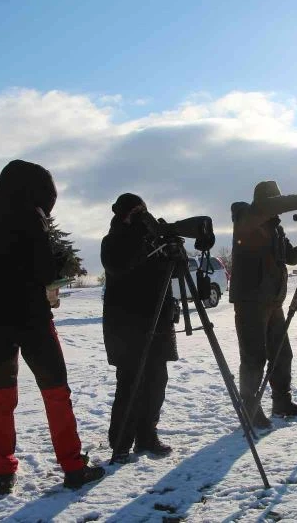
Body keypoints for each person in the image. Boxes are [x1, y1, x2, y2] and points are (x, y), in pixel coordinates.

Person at [0, 159, 105, 495]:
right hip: (31, 317)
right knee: (56, 392)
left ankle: (3, 471)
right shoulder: (31, 215)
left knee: (2, 396)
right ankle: (73, 466)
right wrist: (58, 262)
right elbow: (45, 271)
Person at [229, 180, 297, 429]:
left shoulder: (275, 228)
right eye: (275, 201)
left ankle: (282, 402)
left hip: (273, 300)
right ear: (265, 202)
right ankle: (250, 409)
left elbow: (290, 258)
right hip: (251, 301)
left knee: (282, 354)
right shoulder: (245, 218)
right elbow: (265, 208)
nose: (279, 207)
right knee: (253, 357)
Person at [101, 193, 177, 463]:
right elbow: (118, 265)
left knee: (157, 382)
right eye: (135, 213)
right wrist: (142, 240)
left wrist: (172, 248)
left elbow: (175, 272)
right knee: (130, 385)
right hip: (128, 327)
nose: (142, 217)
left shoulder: (153, 239)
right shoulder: (112, 241)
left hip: (157, 321)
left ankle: (147, 435)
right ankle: (121, 442)